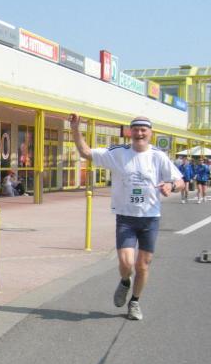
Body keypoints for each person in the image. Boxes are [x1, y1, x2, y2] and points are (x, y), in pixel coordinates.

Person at [70, 114, 183, 321]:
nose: (139, 133)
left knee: (143, 265)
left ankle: (135, 302)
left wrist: (171, 185)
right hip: (126, 218)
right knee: (126, 263)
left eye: (143, 130)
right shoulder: (118, 153)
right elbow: (85, 152)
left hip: (150, 218)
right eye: (136, 129)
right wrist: (75, 129)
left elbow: (180, 181)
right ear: (130, 132)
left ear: (150, 133)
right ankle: (124, 281)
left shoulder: (158, 156)